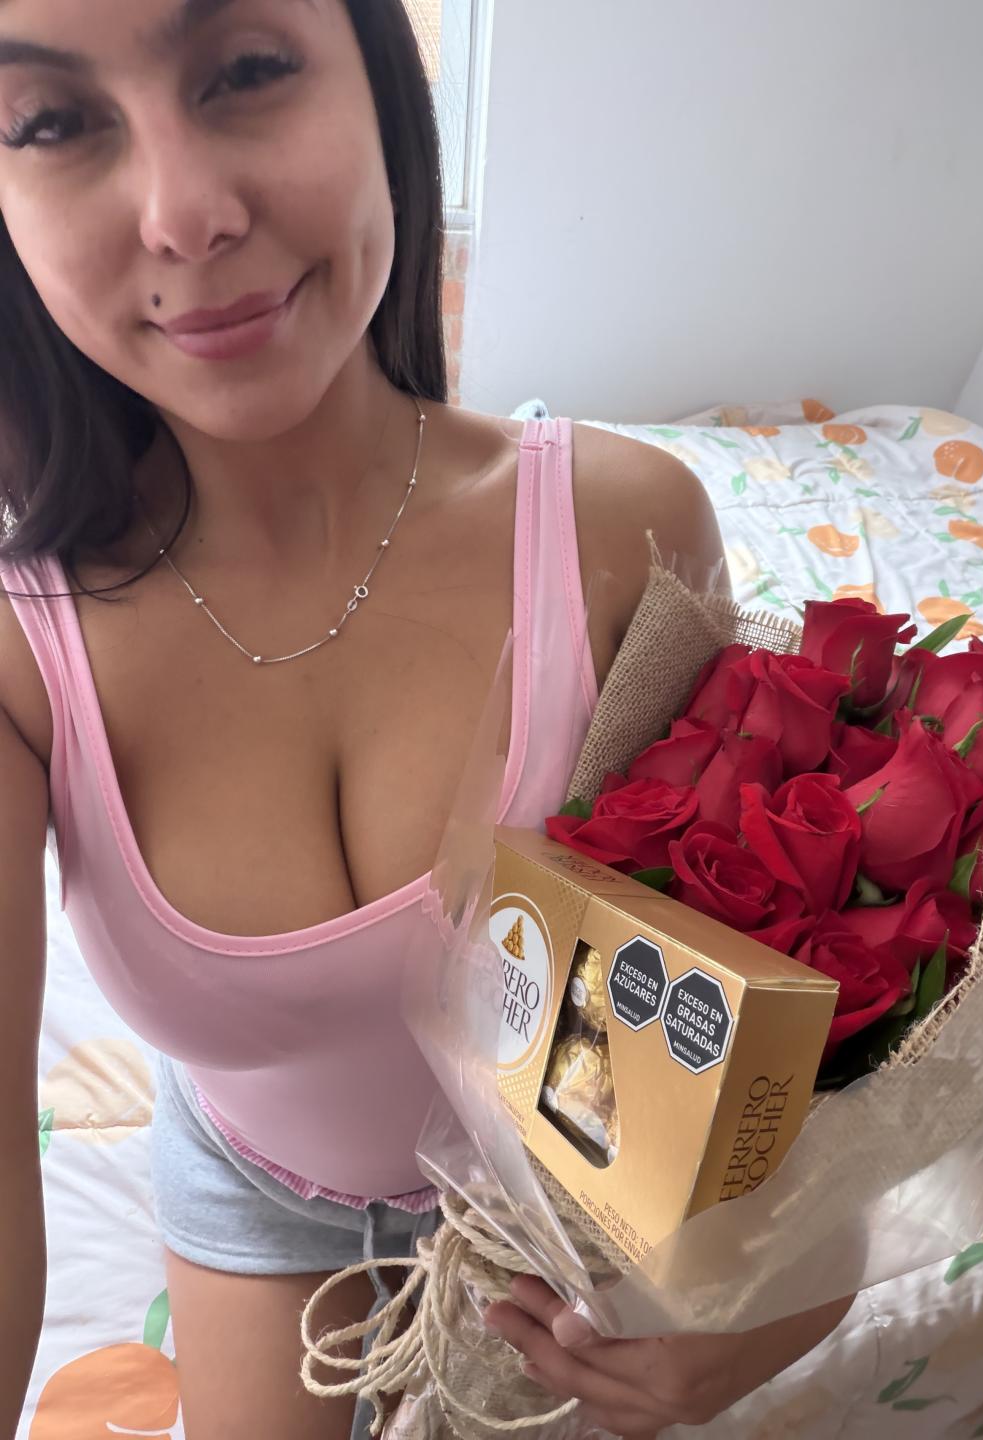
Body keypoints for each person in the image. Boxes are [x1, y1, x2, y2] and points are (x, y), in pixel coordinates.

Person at [0, 1, 852, 1435]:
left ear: (386, 89)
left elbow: (770, 959)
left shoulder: (623, 531)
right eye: (50, 121)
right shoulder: (25, 655)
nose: (186, 215)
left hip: (581, 1176)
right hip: (264, 1185)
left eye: (247, 70)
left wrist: (792, 1284)